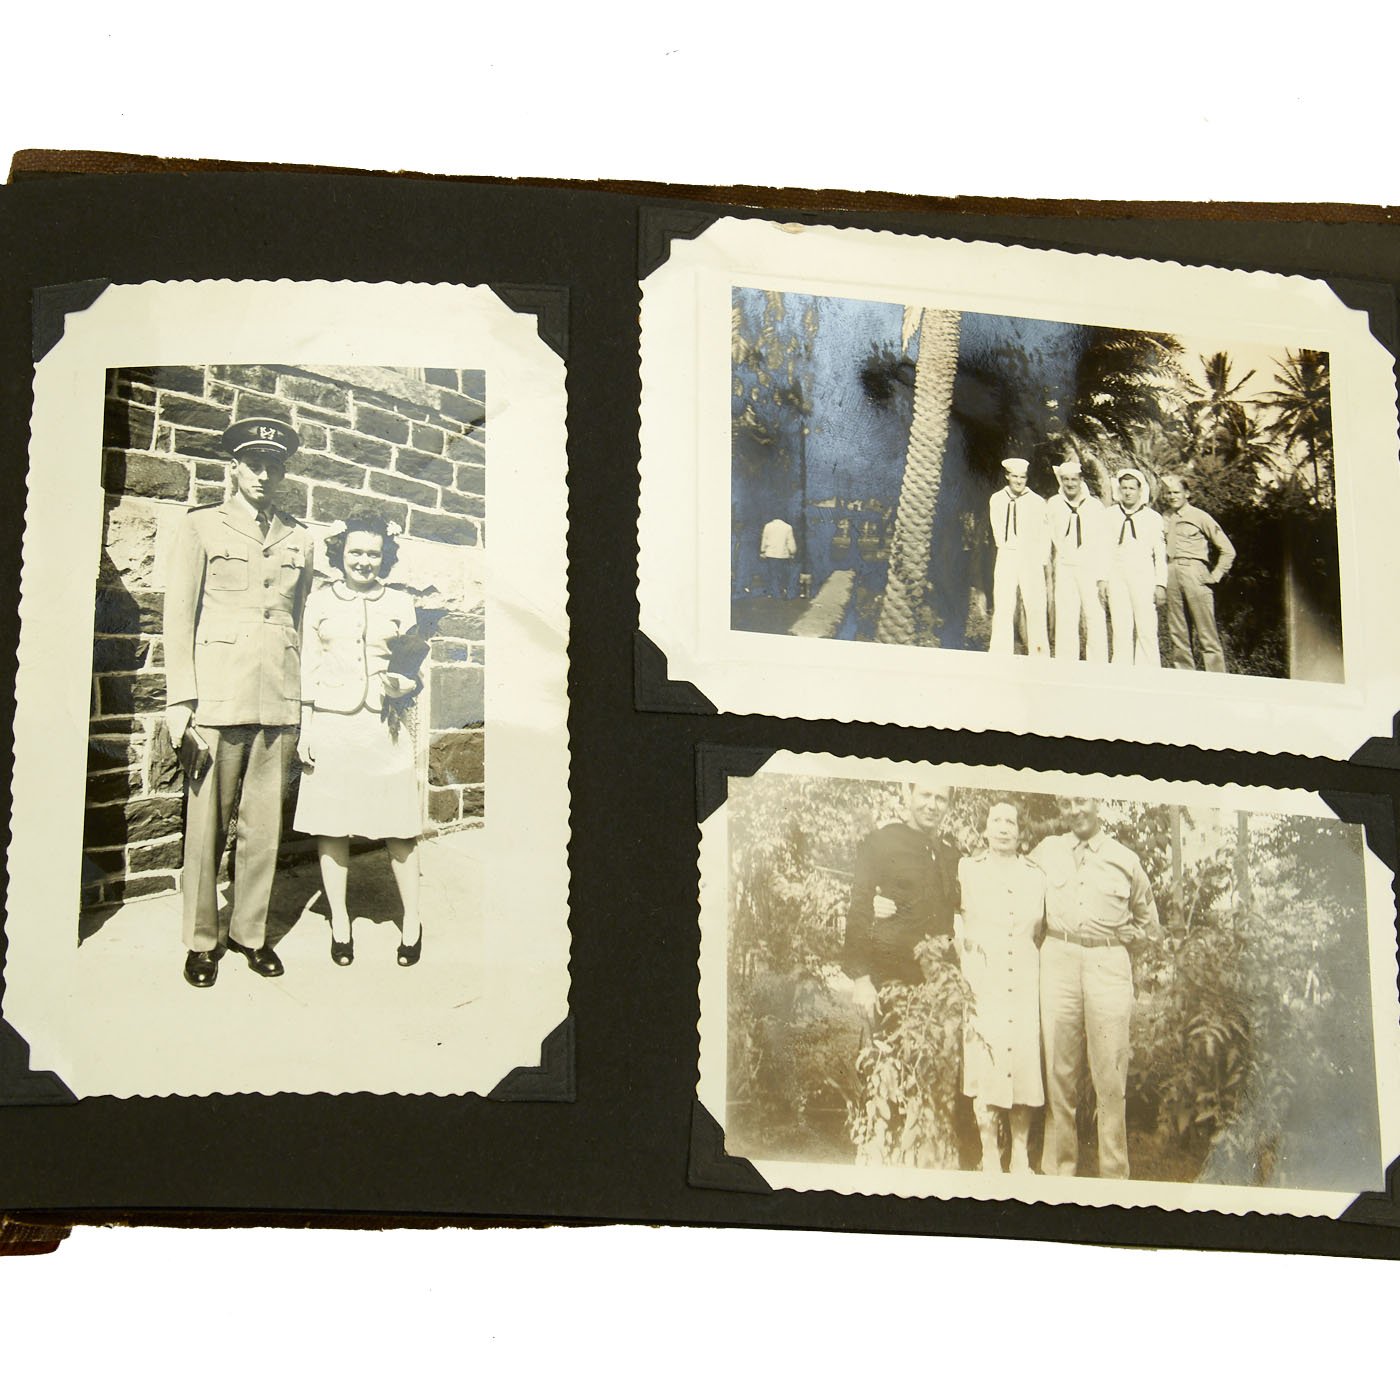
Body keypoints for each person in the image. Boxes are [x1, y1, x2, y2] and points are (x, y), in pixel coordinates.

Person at [163, 417, 314, 988]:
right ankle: (202, 940)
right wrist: (181, 700)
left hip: (278, 698)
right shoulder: (202, 526)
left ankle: (250, 933)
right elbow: (178, 616)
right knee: (206, 828)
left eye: (275, 466)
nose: (265, 474)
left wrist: (303, 702)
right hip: (218, 699)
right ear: (234, 468)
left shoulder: (299, 537)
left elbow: (300, 620)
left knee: (264, 828)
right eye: (255, 464)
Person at [295, 513, 425, 967]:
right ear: (341, 553)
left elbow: (413, 667)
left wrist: (406, 685)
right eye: (356, 552)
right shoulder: (319, 602)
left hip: (384, 725)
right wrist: (306, 729)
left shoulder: (401, 603)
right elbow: (308, 667)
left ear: (384, 557)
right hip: (332, 724)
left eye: (373, 553)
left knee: (400, 828)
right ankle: (340, 920)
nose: (364, 561)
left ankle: (412, 920)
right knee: (332, 825)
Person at [1031, 798, 1157, 1179]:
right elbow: (1015, 890)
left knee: (1110, 1073)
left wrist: (1137, 937)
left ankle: (1113, 1176)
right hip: (1058, 957)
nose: (1075, 809)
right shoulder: (1046, 851)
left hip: (1107, 963)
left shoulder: (1125, 859)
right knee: (1058, 1070)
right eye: (1067, 803)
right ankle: (1059, 1171)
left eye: (1081, 800)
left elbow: (1150, 925)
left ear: (1096, 803)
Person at [956, 801, 1045, 1173]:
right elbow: (957, 918)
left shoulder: (1035, 875)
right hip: (984, 981)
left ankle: (1020, 1154)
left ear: (1020, 832)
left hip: (1023, 979)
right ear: (986, 829)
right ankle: (990, 1152)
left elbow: (1038, 929)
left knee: (1022, 1063)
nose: (1004, 828)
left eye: (1011, 822)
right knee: (985, 1063)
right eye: (997, 821)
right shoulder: (968, 869)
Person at [844, 782, 960, 1024]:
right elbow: (859, 909)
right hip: (890, 981)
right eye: (925, 794)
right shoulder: (881, 842)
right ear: (909, 795)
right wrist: (861, 980)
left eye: (940, 799)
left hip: (938, 985)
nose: (932, 805)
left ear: (949, 805)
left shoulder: (950, 855)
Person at [1160, 474, 1236, 673]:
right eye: (1169, 493)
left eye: (1176, 492)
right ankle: (1185, 676)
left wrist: (1216, 574)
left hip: (1194, 571)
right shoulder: (1164, 517)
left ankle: (1216, 677)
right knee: (1178, 632)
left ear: (1187, 494)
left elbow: (1228, 550)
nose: (1172, 496)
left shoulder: (1200, 516)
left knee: (1206, 632)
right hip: (1171, 572)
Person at [1045, 458, 1109, 663]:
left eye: (1074, 479)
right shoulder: (1054, 504)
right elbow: (1048, 534)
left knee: (1094, 614)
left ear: (1081, 480)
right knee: (1066, 615)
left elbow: (1103, 542)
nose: (1070, 483)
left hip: (1089, 566)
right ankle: (1066, 663)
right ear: (1061, 481)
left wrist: (1102, 575)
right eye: (1066, 479)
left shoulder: (1095, 506)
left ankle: (1098, 663)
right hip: (1064, 566)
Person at [988, 457, 1050, 657]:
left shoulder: (1037, 502)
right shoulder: (997, 499)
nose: (1019, 481)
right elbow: (997, 527)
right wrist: (1006, 546)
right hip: (1007, 554)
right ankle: (1000, 654)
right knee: (1003, 605)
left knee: (1035, 606)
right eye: (1014, 476)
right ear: (1007, 476)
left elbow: (1044, 532)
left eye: (1022, 477)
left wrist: (1041, 559)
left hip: (1030, 556)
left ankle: (1039, 655)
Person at [1106, 467, 1167, 666]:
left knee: (1146, 627)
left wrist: (1161, 584)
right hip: (1117, 576)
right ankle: (1121, 669)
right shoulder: (1109, 515)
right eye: (1124, 488)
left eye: (1132, 488)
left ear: (1140, 491)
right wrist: (1103, 578)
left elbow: (1160, 554)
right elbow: (1103, 549)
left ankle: (1147, 671)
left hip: (1143, 575)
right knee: (1120, 626)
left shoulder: (1153, 518)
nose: (1128, 492)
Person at [758, 516, 798, 599]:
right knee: (782, 573)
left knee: (772, 574)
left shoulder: (768, 526)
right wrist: (792, 551)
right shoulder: (788, 527)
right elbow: (790, 541)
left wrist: (763, 550)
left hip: (771, 554)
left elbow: (764, 539)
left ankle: (774, 592)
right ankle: (781, 590)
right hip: (783, 554)